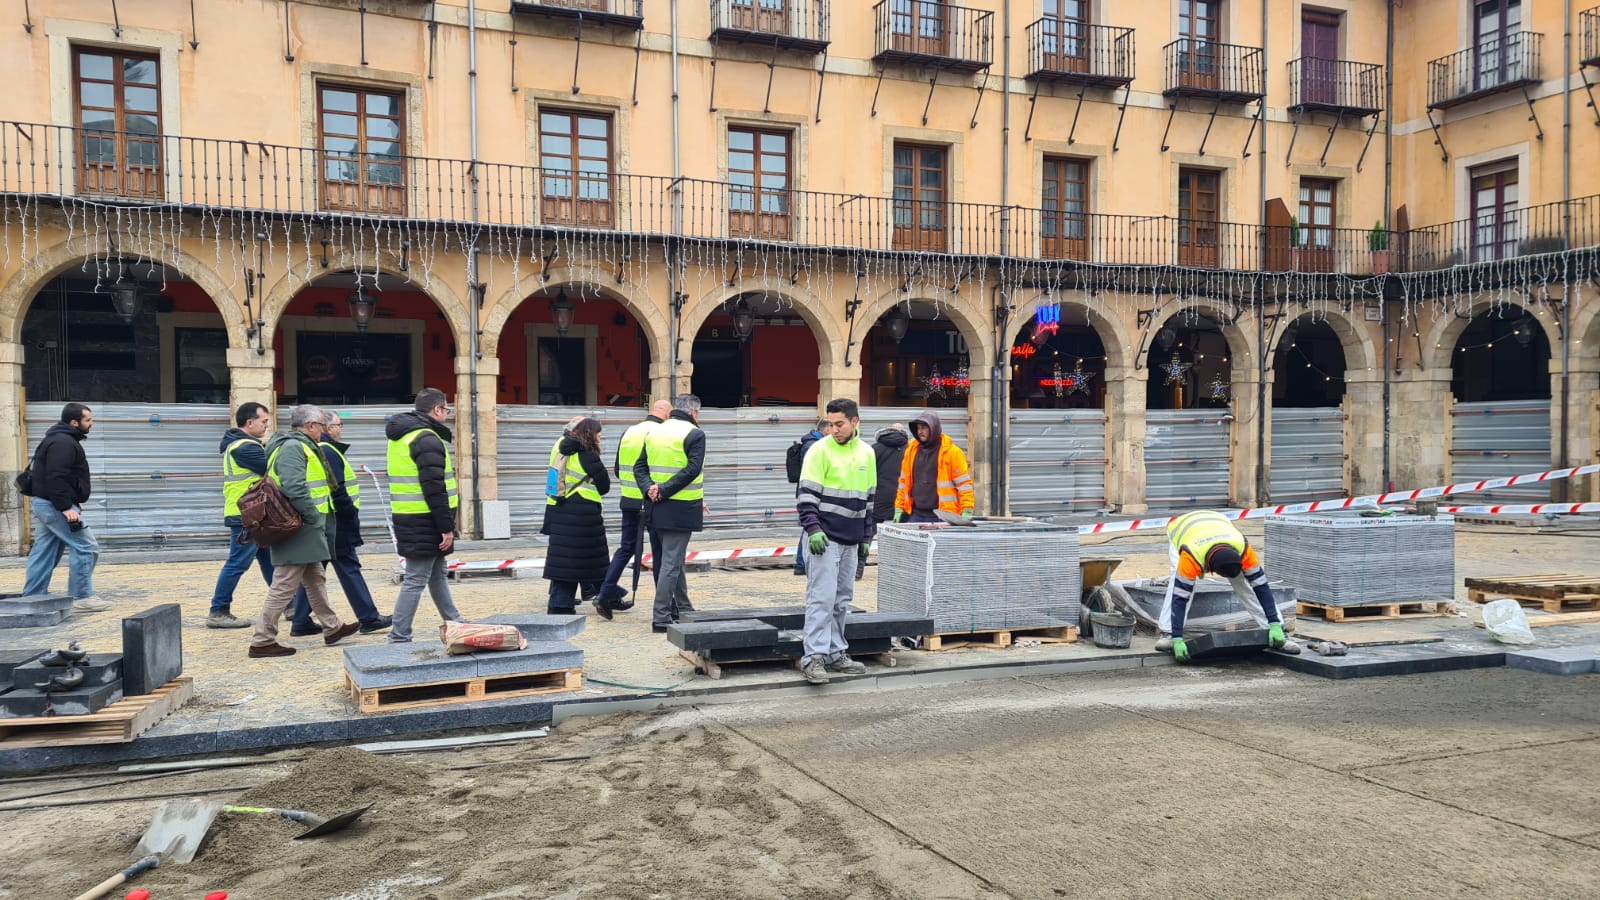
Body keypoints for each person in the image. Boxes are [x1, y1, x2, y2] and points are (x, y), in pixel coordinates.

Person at [248, 405, 360, 658]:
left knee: (315, 577)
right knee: (284, 583)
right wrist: (312, 517)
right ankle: (262, 640)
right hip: (300, 525)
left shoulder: (297, 446)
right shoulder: (293, 448)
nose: (324, 431)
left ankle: (333, 627)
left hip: (303, 526)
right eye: (322, 426)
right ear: (310, 426)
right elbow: (295, 487)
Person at [287, 410, 392, 636]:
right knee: (348, 567)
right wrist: (349, 513)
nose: (340, 429)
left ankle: (300, 621)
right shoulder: (327, 450)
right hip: (335, 521)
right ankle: (369, 617)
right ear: (326, 427)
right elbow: (337, 489)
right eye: (338, 425)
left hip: (327, 520)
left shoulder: (321, 448)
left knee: (314, 571)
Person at [796, 398, 878, 685]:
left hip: (851, 538)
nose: (833, 429)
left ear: (855, 422)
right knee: (821, 597)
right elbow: (806, 496)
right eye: (830, 424)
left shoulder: (867, 454)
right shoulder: (819, 451)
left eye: (839, 423)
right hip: (825, 538)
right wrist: (813, 529)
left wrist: (867, 536)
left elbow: (869, 500)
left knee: (842, 599)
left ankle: (835, 652)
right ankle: (814, 657)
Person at [1156, 510, 1298, 662]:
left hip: (1217, 523)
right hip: (1181, 530)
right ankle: (1169, 633)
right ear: (1210, 569)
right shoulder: (1190, 557)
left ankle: (1278, 632)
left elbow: (1261, 587)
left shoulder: (1244, 550)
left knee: (1244, 584)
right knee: (1179, 585)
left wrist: (1275, 623)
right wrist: (1178, 638)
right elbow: (1179, 597)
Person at [385, 388, 463, 643]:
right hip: (425, 519)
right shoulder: (426, 438)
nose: (448, 414)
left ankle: (455, 622)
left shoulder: (403, 436)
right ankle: (399, 636)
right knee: (416, 578)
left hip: (410, 515)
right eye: (447, 409)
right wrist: (446, 526)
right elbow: (434, 486)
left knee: (437, 573)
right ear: (437, 410)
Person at [22, 402, 104, 611]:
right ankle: (82, 596)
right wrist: (66, 507)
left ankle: (33, 596)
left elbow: (58, 477)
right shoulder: (64, 443)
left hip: (47, 504)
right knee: (86, 547)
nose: (91, 423)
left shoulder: (55, 439)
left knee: (45, 550)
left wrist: (73, 501)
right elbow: (56, 477)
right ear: (74, 422)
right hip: (55, 506)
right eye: (88, 420)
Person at [594, 399, 672, 618]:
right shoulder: (660, 433)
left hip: (628, 499)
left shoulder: (629, 431)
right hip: (652, 501)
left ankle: (605, 593)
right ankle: (666, 606)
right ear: (667, 414)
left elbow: (618, 469)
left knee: (625, 548)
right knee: (659, 552)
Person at [636, 393, 705, 633]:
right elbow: (692, 470)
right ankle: (661, 617)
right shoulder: (694, 434)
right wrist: (664, 490)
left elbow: (639, 467)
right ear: (694, 412)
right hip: (681, 507)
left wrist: (649, 490)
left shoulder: (654, 431)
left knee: (673, 561)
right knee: (670, 564)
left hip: (656, 507)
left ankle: (684, 608)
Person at [206, 402, 273, 628]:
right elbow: (273, 469)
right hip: (247, 515)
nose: (267, 425)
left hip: (253, 513)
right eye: (264, 421)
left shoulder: (239, 445)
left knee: (270, 561)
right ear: (250, 422)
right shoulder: (245, 447)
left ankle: (290, 604)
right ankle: (218, 611)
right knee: (237, 563)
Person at [542, 417, 611, 614]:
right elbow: (604, 485)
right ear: (590, 433)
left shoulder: (563, 448)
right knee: (589, 559)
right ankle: (606, 595)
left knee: (565, 561)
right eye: (599, 433)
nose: (600, 437)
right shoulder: (588, 455)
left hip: (562, 508)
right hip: (584, 513)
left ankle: (560, 603)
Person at [894, 410, 974, 524]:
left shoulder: (952, 453)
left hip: (943, 516)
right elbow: (903, 483)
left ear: (934, 428)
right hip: (916, 514)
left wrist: (967, 509)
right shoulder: (911, 451)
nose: (920, 431)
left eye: (924, 427)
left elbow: (964, 484)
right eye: (918, 428)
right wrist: (899, 507)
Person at [863, 423, 909, 580]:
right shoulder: (910, 450)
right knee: (905, 534)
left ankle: (858, 566)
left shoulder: (874, 449)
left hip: (879, 496)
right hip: (903, 497)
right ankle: (902, 570)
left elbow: (866, 472)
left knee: (868, 531)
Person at [789, 420, 827, 577]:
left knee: (810, 526)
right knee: (809, 527)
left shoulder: (811, 443)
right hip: (811, 492)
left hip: (810, 491)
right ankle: (801, 563)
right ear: (826, 431)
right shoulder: (813, 446)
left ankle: (801, 563)